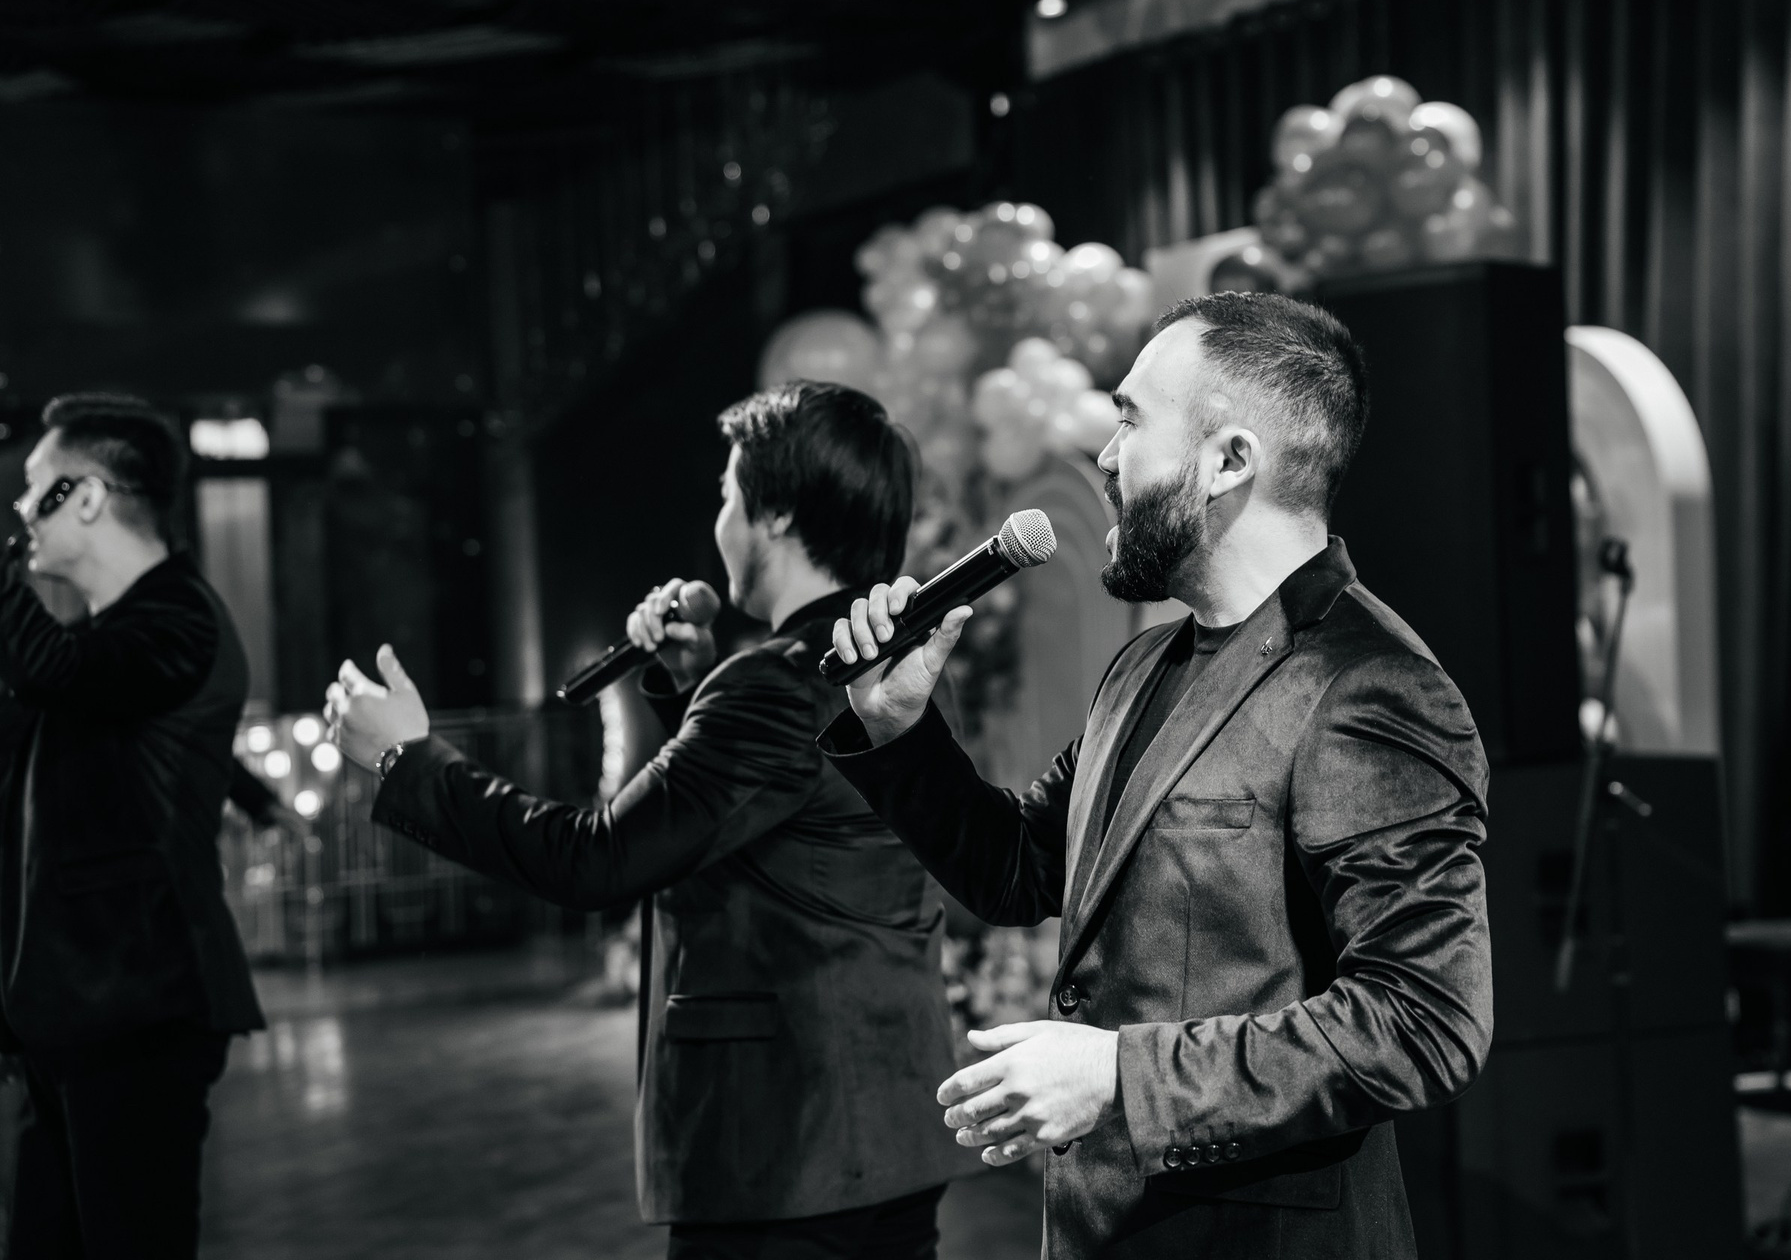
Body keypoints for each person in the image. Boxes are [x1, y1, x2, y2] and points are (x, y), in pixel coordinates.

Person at [820, 293, 1495, 1259]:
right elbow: (1019, 869)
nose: (1104, 456)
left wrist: (1118, 1078)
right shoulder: (1144, 666)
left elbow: (1424, 1021)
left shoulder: (1371, 685)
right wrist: (900, 730)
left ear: (1229, 460)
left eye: (1131, 420)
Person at [327, 381, 975, 1259]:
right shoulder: (891, 671)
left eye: (728, 494)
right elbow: (783, 836)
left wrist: (407, 759)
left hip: (787, 1150)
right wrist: (687, 686)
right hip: (882, 1133)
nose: (721, 520)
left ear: (777, 513)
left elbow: (594, 860)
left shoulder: (774, 683)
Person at [0, 393, 265, 1259]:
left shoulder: (180, 616)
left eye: (34, 485)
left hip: (137, 1008)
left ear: (83, 495)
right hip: (68, 1010)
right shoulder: (107, 632)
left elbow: (56, 671)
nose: (19, 506)